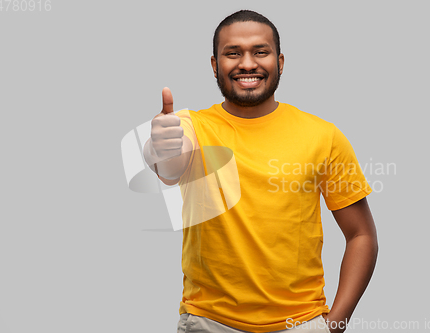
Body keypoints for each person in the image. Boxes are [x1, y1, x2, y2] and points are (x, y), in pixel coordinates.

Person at [143, 10, 378, 333]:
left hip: (301, 323)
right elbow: (169, 166)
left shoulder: (323, 136)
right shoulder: (191, 127)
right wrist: (159, 146)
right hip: (209, 323)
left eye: (260, 51)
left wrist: (334, 325)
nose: (248, 63)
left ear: (280, 62)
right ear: (215, 65)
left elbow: (361, 236)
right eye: (233, 53)